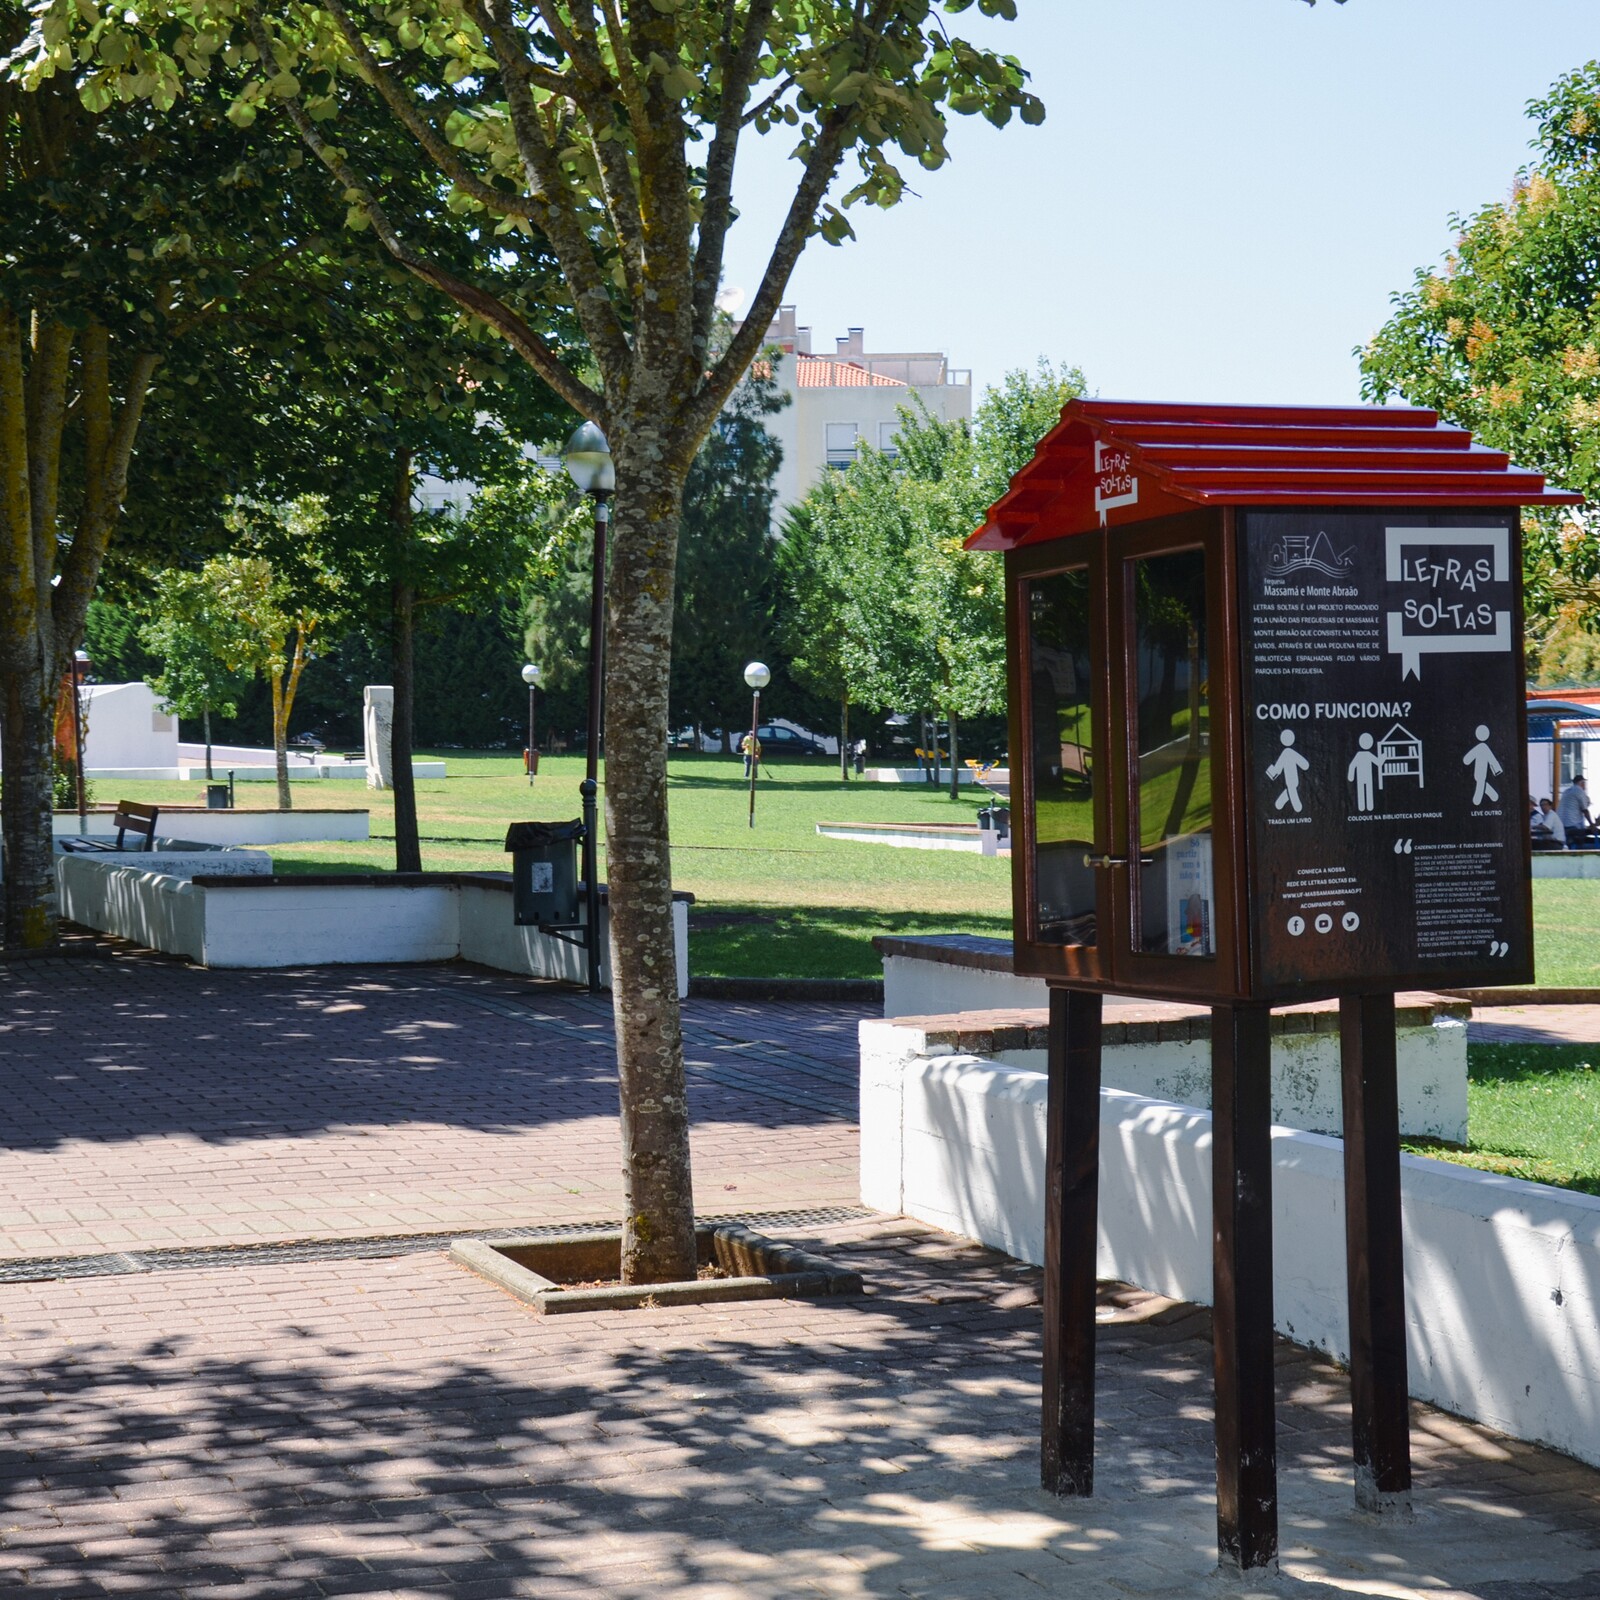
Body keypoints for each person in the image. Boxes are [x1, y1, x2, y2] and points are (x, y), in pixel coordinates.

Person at [1558, 774, 1591, 845]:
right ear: (1582, 783)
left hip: (1562, 824)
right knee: (1582, 840)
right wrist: (1591, 824)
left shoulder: (1566, 792)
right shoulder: (1579, 791)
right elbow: (1585, 810)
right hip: (1573, 824)